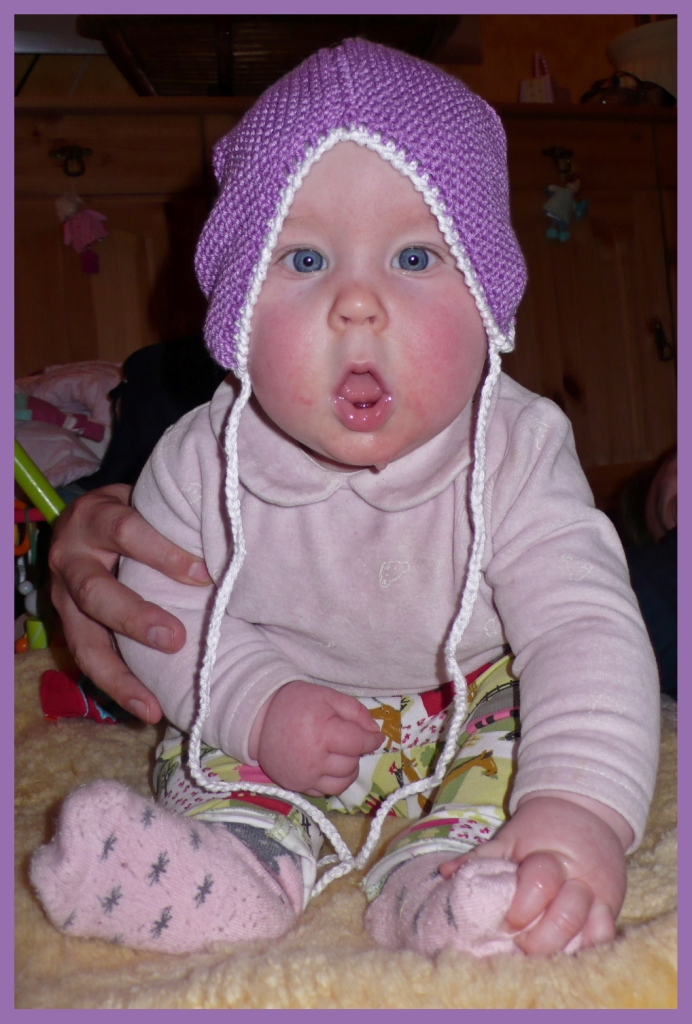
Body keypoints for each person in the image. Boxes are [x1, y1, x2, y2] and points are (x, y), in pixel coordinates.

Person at [33, 39, 659, 961]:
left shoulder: (517, 450)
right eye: (304, 258)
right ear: (236, 314)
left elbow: (582, 625)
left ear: (489, 299)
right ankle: (237, 863)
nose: (357, 303)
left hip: (461, 706)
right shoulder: (201, 460)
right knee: (205, 746)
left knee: (522, 726)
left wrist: (578, 808)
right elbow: (164, 610)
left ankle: (447, 881)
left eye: (414, 255)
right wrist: (257, 703)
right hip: (279, 692)